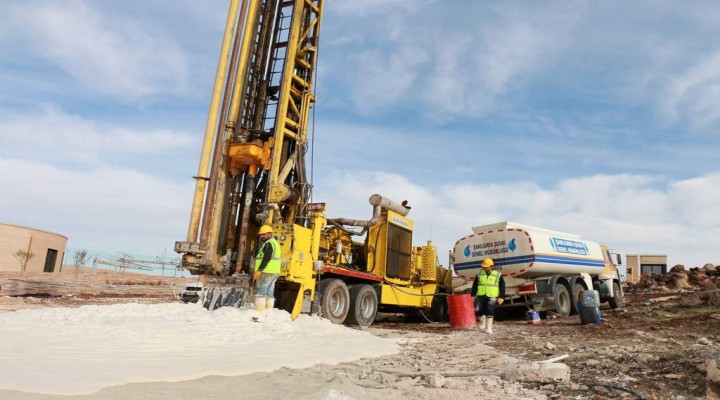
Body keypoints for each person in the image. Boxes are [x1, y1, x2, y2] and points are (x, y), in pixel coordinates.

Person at [471, 258, 505, 334]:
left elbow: (502, 286)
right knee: (478, 311)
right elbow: (475, 285)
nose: (484, 268)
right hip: (481, 295)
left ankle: (488, 328)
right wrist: (472, 295)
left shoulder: (497, 275)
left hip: (492, 296)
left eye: (486, 266)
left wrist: (502, 297)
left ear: (491, 266)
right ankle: (483, 321)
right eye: (484, 266)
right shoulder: (479, 274)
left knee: (490, 311)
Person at [253, 225, 281, 312]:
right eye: (261, 234)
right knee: (269, 293)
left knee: (261, 291)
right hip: (274, 272)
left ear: (269, 234)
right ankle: (268, 311)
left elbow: (266, 258)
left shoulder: (269, 244)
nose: (261, 236)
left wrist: (259, 270)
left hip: (266, 271)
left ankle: (259, 311)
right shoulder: (275, 243)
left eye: (263, 234)